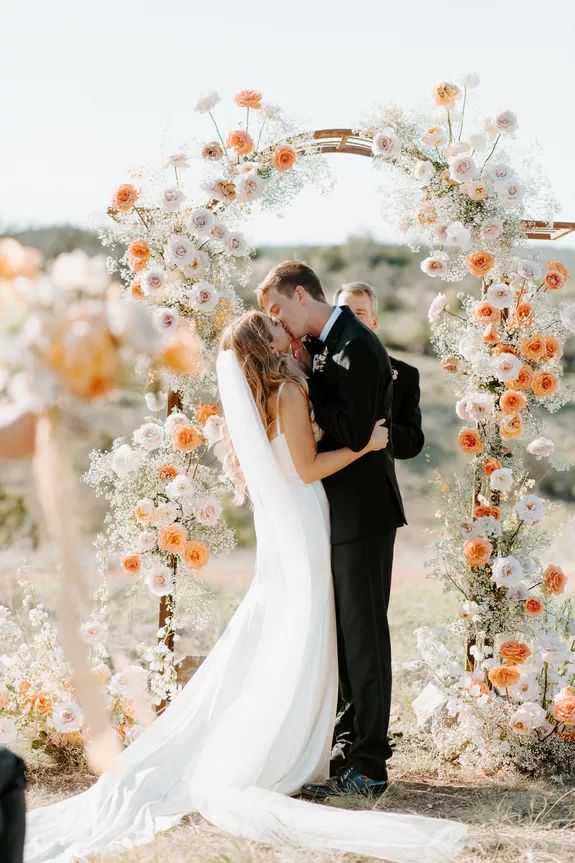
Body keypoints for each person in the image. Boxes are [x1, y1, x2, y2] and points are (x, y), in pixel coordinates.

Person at [24, 310, 466, 863]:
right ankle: (298, 746)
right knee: (304, 630)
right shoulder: (285, 395)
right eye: (276, 327)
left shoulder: (266, 395)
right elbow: (306, 469)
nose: (288, 329)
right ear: (268, 341)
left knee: (292, 628)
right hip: (306, 519)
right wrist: (368, 444)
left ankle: (310, 738)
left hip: (290, 525)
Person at [256, 261, 405, 799]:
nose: (278, 321)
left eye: (279, 309)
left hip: (364, 514)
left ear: (301, 295)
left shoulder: (356, 344)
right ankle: (346, 747)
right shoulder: (323, 345)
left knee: (364, 640)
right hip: (334, 512)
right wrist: (303, 370)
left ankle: (369, 763)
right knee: (343, 639)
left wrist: (305, 389)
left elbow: (357, 430)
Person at [333, 282, 424, 461]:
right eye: (344, 312)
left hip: (374, 481)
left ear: (374, 322)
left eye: (359, 313)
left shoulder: (405, 375)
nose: (350, 319)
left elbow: (412, 444)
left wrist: (377, 425)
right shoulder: (318, 363)